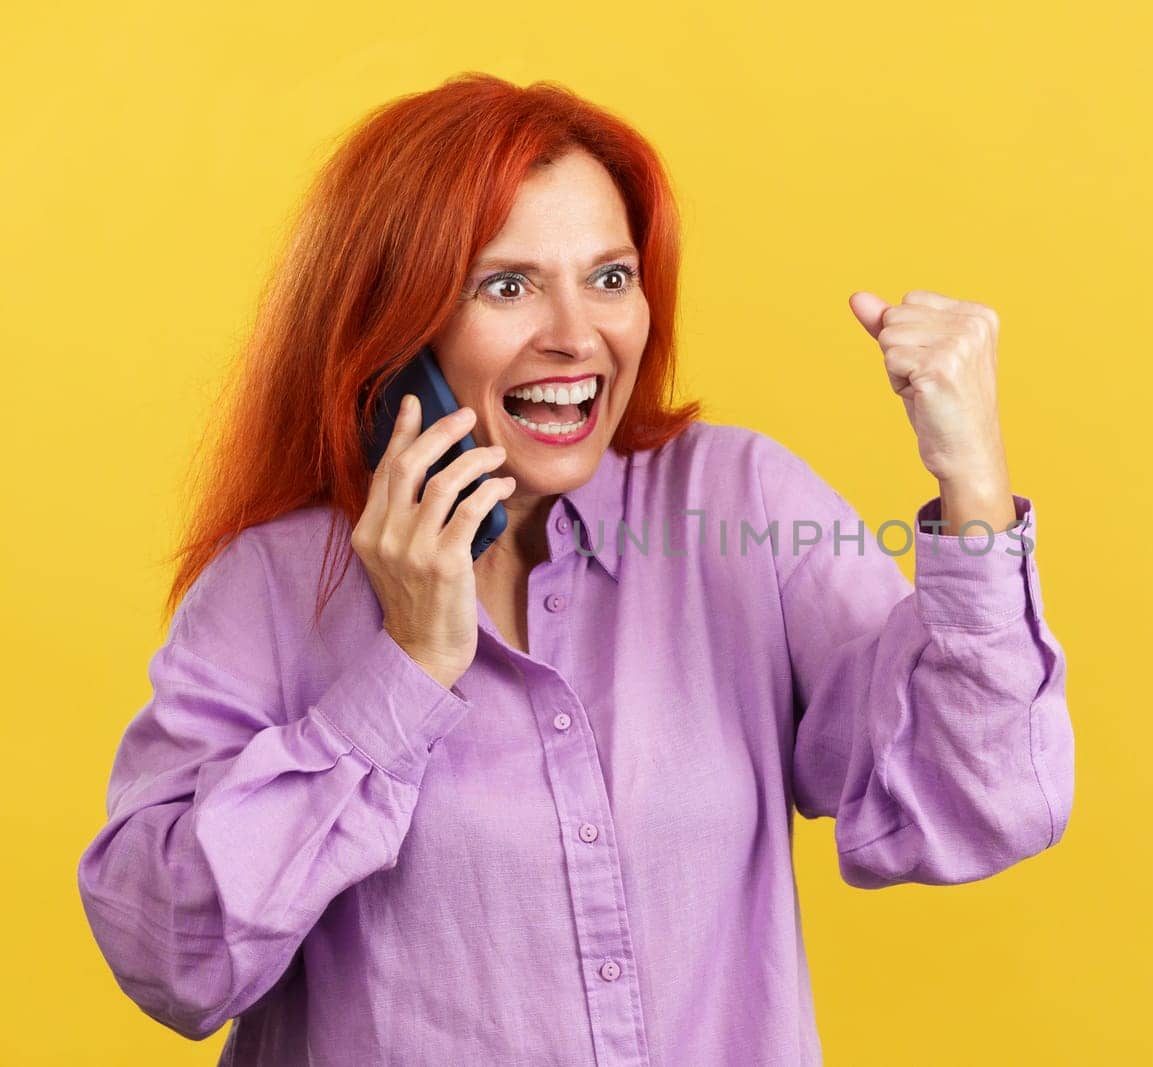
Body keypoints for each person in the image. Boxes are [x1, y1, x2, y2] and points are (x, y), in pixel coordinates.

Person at [76, 72, 1075, 1066]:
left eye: (609, 277)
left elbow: (983, 801)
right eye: (505, 285)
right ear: (399, 324)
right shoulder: (273, 588)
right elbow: (171, 958)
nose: (576, 334)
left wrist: (971, 480)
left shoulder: (739, 506)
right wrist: (406, 671)